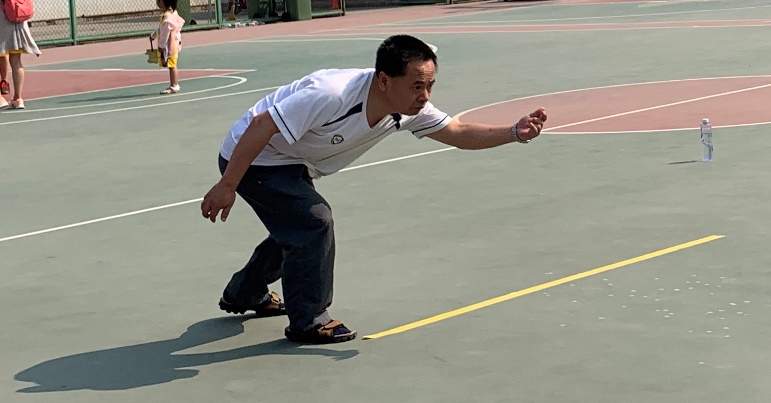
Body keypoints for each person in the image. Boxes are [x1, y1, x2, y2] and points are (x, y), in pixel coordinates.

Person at [200, 34, 548, 344]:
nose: (424, 96)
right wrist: (228, 183)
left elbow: (457, 132)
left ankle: (245, 292)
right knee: (313, 222)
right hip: (254, 155)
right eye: (416, 86)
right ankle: (309, 321)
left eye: (430, 85)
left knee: (295, 227)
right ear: (384, 80)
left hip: (293, 160)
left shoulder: (409, 108)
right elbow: (262, 125)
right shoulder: (332, 94)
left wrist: (513, 132)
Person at [0, 0, 40, 110]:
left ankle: (1, 98)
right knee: (16, 61)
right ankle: (18, 98)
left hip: (2, 23)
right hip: (18, 23)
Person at [152, 0, 184, 95]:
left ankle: (174, 85)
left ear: (161, 1)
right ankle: (173, 84)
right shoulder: (171, 13)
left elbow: (165, 33)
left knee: (172, 65)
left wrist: (160, 46)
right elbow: (161, 28)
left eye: (157, 0)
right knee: (171, 64)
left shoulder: (167, 17)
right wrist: (153, 35)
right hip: (174, 43)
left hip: (171, 45)